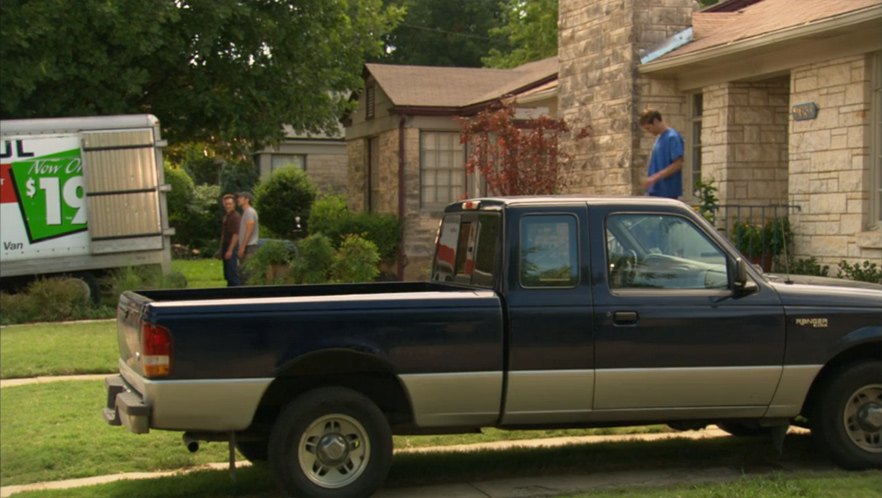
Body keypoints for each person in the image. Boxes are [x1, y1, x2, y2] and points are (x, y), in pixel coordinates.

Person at [639, 109, 684, 199]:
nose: (649, 131)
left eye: (648, 128)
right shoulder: (659, 139)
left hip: (667, 192)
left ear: (655, 121)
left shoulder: (672, 137)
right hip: (655, 191)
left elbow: (678, 164)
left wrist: (654, 178)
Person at [236, 191, 260, 284]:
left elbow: (249, 229)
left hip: (249, 247)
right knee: (243, 273)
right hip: (247, 246)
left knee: (247, 273)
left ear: (247, 199)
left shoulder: (249, 212)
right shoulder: (246, 212)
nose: (238, 199)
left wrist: (242, 246)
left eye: (241, 198)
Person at [220, 194, 241, 286]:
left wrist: (230, 250)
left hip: (232, 246)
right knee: (228, 274)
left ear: (234, 204)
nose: (228, 206)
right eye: (226, 204)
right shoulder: (227, 216)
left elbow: (236, 234)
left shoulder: (235, 217)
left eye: (230, 204)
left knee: (232, 273)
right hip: (226, 246)